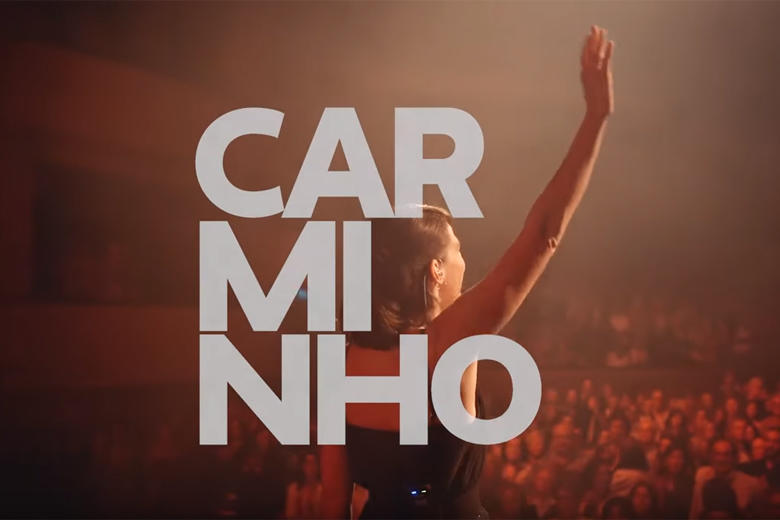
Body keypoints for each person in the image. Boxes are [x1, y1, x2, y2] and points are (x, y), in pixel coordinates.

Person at [319, 25, 615, 519]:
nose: (465, 259)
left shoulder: (341, 363)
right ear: (435, 271)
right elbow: (544, 231)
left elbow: (333, 500)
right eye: (457, 250)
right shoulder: (447, 342)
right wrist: (596, 117)